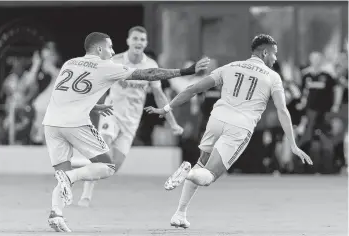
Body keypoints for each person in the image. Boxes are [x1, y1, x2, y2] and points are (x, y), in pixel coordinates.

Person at [43, 32, 210, 232]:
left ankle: (56, 213)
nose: (112, 51)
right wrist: (187, 70)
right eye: (110, 47)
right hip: (75, 123)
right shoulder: (106, 65)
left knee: (63, 169)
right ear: (99, 49)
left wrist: (95, 107)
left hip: (52, 123)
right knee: (107, 166)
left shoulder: (70, 63)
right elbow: (148, 74)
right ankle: (71, 178)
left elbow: (66, 93)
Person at [144, 34, 313, 228]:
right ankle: (188, 173)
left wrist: (166, 109)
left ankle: (180, 213)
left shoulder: (230, 67)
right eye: (274, 54)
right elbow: (283, 110)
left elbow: (193, 89)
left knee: (202, 163)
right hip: (240, 126)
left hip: (216, 119)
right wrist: (292, 143)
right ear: (265, 52)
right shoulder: (273, 77)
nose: (275, 58)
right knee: (209, 176)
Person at [77, 26, 184, 207]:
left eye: (142, 39)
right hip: (111, 114)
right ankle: (85, 195)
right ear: (128, 41)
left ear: (146, 43)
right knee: (103, 145)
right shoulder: (116, 61)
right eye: (135, 38)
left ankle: (80, 167)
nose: (138, 42)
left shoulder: (151, 66)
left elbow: (159, 95)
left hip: (131, 123)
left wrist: (173, 123)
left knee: (113, 167)